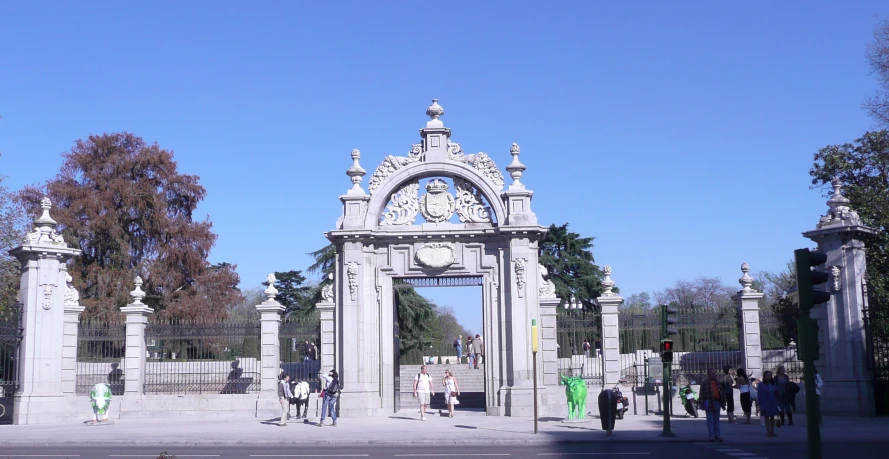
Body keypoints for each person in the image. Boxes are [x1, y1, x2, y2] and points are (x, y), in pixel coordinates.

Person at [698, 368, 724, 442]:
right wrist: (701, 404)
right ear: (708, 374)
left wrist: (723, 402)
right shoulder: (705, 383)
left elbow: (722, 393)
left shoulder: (718, 382)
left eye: (714, 373)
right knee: (710, 420)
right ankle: (711, 435)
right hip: (709, 402)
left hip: (717, 402)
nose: (714, 374)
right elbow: (701, 394)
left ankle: (717, 435)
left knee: (716, 420)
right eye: (712, 373)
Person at [757, 371, 780, 437]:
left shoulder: (773, 384)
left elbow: (776, 392)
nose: (769, 376)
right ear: (764, 376)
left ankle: (772, 431)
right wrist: (759, 403)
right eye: (767, 375)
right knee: (766, 416)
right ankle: (768, 431)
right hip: (765, 402)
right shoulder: (761, 385)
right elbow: (759, 394)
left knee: (772, 416)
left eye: (770, 375)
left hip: (772, 401)